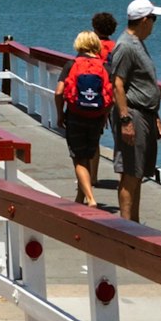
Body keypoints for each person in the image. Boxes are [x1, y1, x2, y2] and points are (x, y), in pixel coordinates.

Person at [109, 0, 161, 224]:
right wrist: (126, 120)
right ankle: (126, 225)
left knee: (138, 172)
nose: (154, 24)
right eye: (153, 19)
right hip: (132, 113)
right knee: (130, 172)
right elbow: (118, 84)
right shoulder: (126, 46)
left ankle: (134, 221)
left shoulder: (137, 43)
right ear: (144, 20)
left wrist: (155, 115)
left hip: (144, 114)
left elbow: (143, 84)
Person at [56, 14, 119, 208]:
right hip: (96, 117)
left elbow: (59, 92)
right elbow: (114, 97)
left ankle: (90, 199)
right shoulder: (105, 67)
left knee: (79, 159)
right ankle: (80, 198)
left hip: (75, 115)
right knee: (89, 154)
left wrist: (60, 114)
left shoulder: (72, 65)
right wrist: (104, 114)